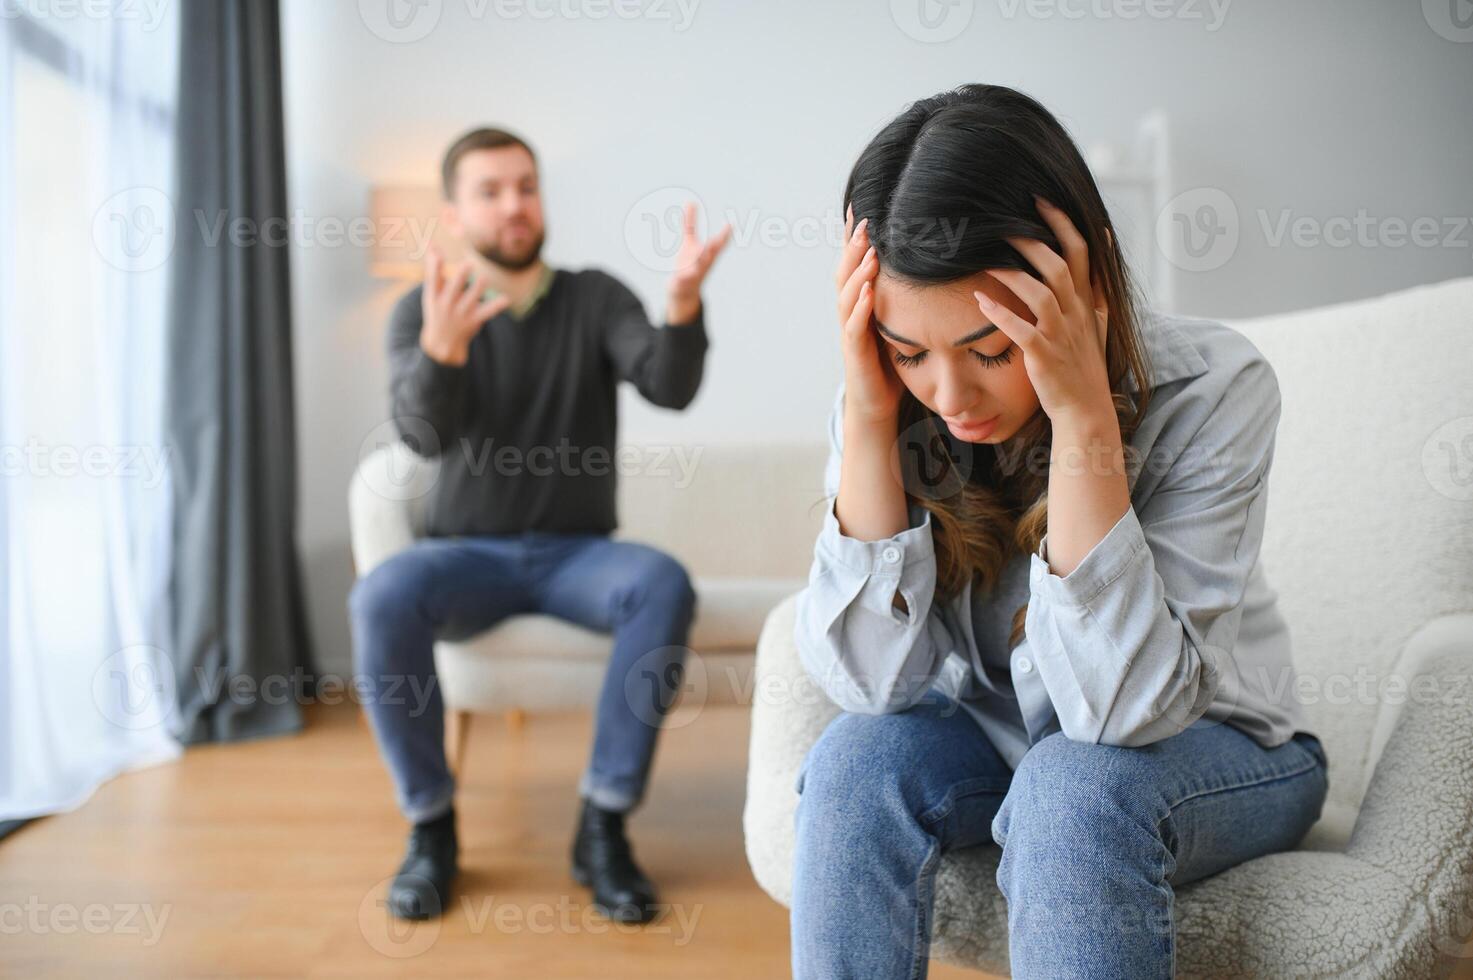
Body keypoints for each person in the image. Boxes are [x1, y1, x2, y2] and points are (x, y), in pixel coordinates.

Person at [789, 84, 1328, 979]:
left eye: (990, 351)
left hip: (1216, 751)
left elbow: (1124, 713)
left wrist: (1083, 421)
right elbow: (869, 682)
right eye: (907, 350)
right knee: (853, 762)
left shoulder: (1216, 387)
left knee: (1071, 787)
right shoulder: (889, 403)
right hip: (1003, 739)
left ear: (1082, 283)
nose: (949, 398)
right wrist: (869, 412)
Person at [348, 126, 730, 924]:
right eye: (489, 191)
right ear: (455, 211)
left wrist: (684, 304)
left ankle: (603, 826)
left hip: (577, 557)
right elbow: (420, 440)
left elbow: (668, 385)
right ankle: (431, 831)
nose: (513, 205)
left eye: (525, 185)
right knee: (381, 595)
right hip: (464, 557)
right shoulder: (423, 309)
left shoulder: (595, 297)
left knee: (660, 581)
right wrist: (443, 354)